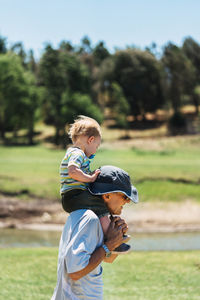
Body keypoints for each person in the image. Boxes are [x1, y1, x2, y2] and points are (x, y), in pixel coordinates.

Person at [52, 165, 139, 300]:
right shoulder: (89, 219)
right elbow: (75, 272)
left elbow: (107, 258)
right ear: (107, 195)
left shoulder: (92, 218)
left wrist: (115, 240)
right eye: (123, 196)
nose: (127, 201)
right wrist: (108, 245)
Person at [60, 115, 131, 253]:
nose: (96, 150)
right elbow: (73, 171)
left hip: (75, 196)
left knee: (98, 205)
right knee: (100, 206)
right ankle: (112, 241)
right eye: (96, 146)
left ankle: (113, 233)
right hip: (74, 195)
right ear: (90, 140)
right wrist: (91, 178)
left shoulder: (77, 154)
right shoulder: (77, 154)